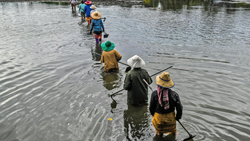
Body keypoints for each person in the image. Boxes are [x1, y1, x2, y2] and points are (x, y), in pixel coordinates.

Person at [149, 71, 183, 137]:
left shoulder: (154, 94)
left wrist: (153, 115)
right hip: (170, 118)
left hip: (159, 118)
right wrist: (178, 117)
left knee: (158, 133)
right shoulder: (174, 95)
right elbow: (179, 107)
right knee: (172, 132)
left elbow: (151, 108)